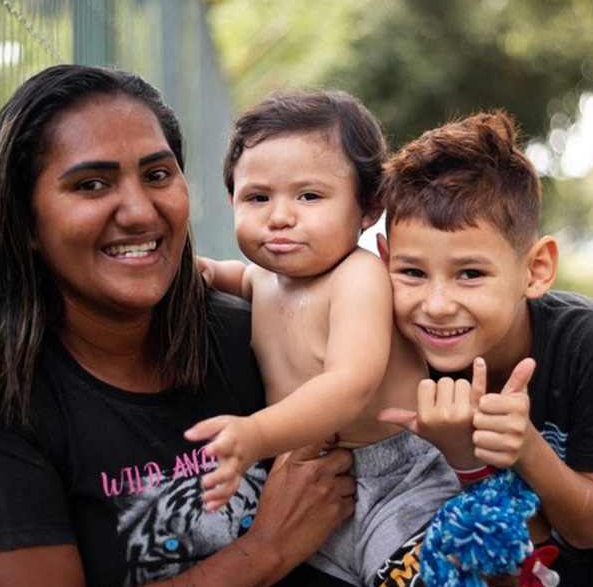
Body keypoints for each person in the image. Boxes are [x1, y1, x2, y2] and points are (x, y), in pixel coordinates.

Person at [0, 65, 359, 587]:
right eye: (92, 184)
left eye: (156, 175)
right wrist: (264, 551)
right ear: (25, 222)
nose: (140, 211)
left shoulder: (252, 336)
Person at [376, 110, 593, 586]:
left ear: (536, 269)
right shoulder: (412, 357)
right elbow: (520, 532)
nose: (437, 305)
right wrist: (467, 457)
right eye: (412, 272)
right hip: (563, 564)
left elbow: (590, 528)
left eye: (470, 273)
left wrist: (525, 445)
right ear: (384, 261)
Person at [189, 89, 459, 586]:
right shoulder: (260, 279)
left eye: (309, 196)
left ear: (369, 205)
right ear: (232, 200)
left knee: (414, 576)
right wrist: (196, 270)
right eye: (257, 197)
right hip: (312, 477)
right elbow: (228, 275)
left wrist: (257, 434)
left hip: (396, 479)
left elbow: (350, 383)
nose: (280, 216)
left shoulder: (359, 277)